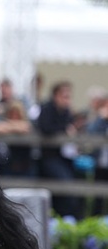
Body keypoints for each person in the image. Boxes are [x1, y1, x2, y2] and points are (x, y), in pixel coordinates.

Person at [36, 81, 82, 218]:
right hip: (50, 157)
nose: (67, 99)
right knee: (64, 187)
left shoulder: (67, 112)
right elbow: (45, 128)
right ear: (56, 96)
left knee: (72, 187)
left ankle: (66, 220)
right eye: (65, 96)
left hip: (65, 158)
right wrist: (64, 130)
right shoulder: (47, 109)